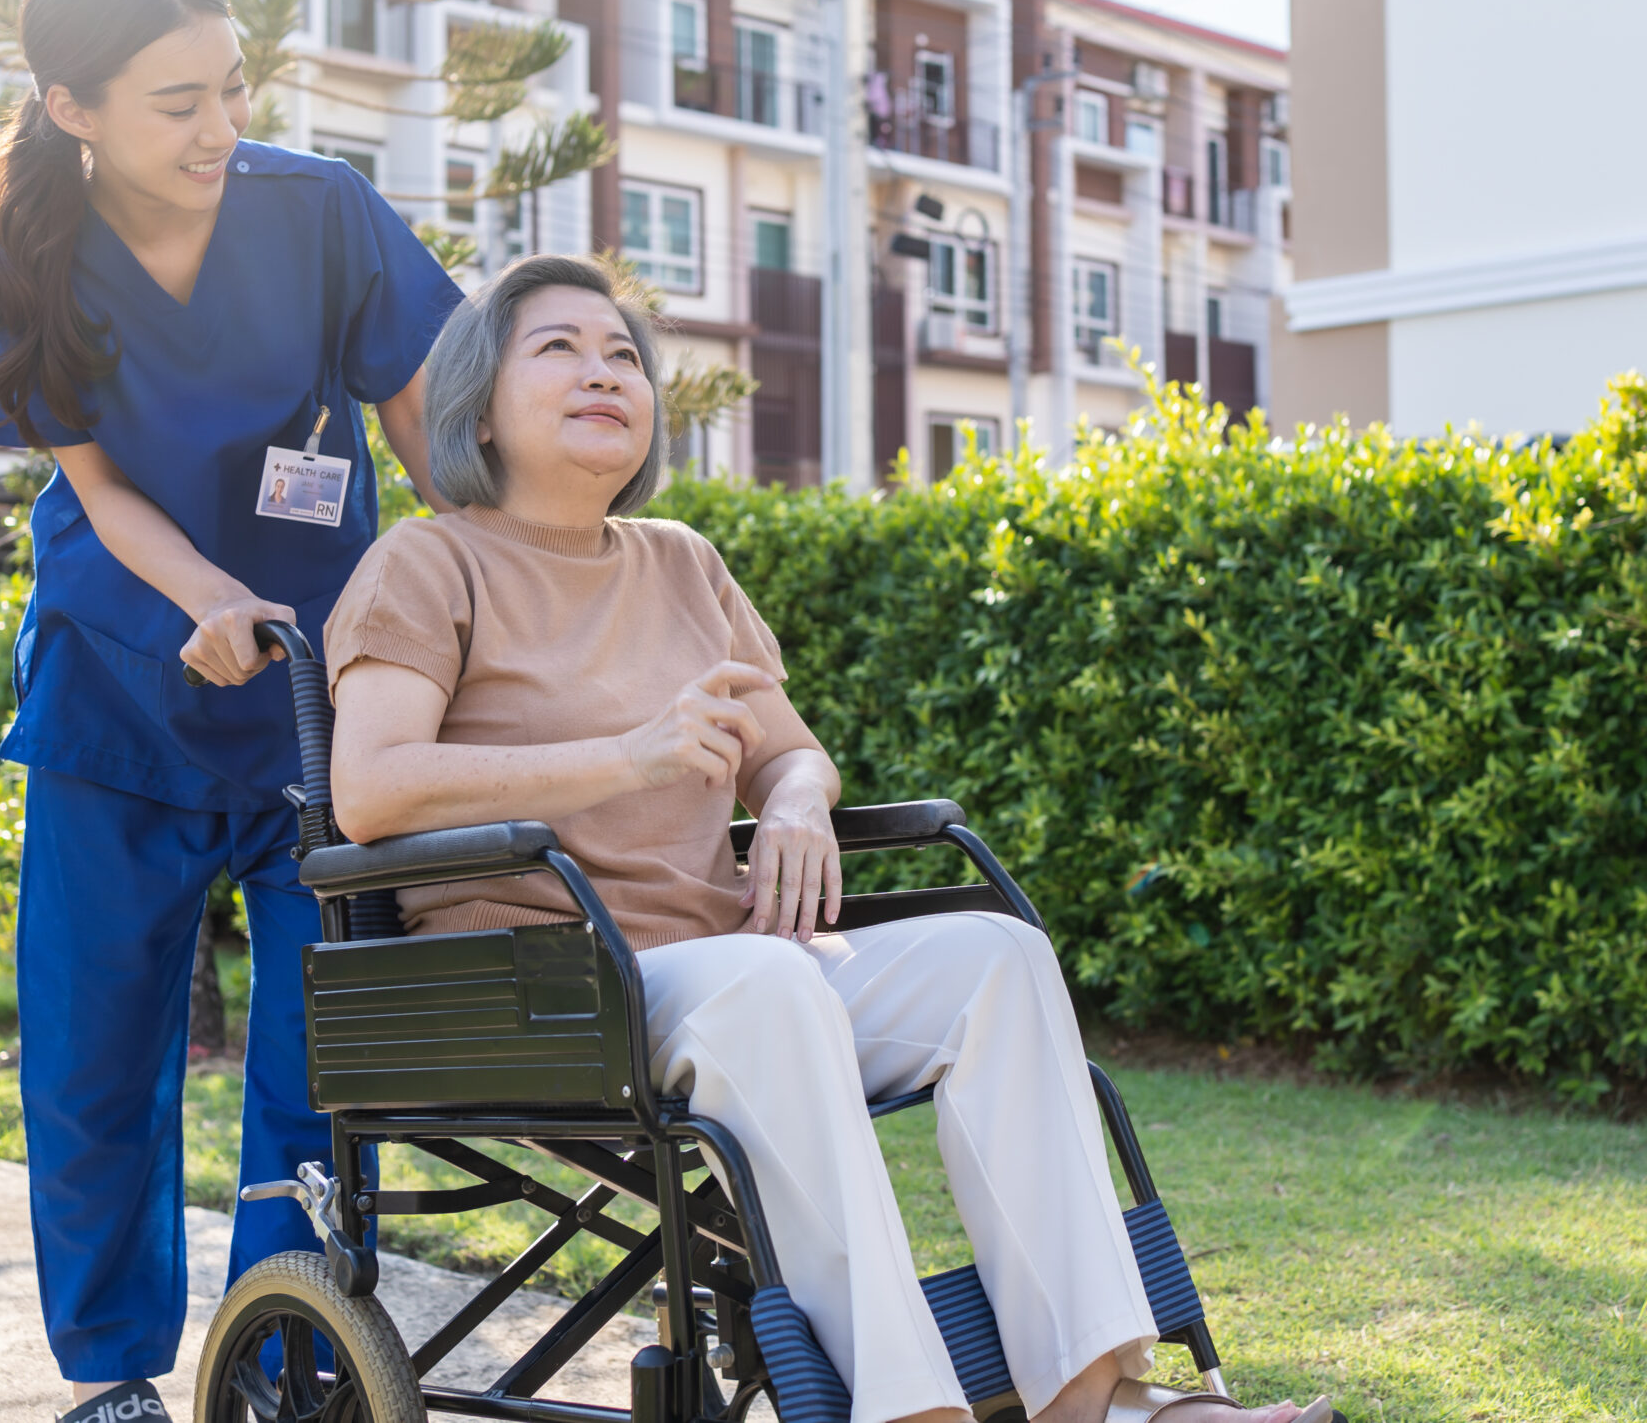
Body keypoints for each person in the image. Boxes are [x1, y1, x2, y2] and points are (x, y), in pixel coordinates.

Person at [322, 254, 1331, 1423]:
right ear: (475, 400)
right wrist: (626, 759)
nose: (604, 372)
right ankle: (905, 1407)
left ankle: (1101, 1394)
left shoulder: (683, 561)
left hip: (720, 968)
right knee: (767, 985)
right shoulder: (427, 561)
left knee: (996, 959)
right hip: (541, 983)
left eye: (624, 357)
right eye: (558, 348)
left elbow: (788, 751)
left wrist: (796, 802)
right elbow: (372, 791)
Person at [0, 0, 460, 1423]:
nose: (220, 129)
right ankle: (112, 1377)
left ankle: (286, 1357)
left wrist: (485, 614)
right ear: (71, 107)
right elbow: (100, 493)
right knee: (98, 1064)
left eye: (232, 87)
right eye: (177, 101)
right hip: (123, 691)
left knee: (318, 1065)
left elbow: (436, 451)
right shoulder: (20, 255)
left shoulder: (323, 215)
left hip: (328, 712)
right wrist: (216, 594)